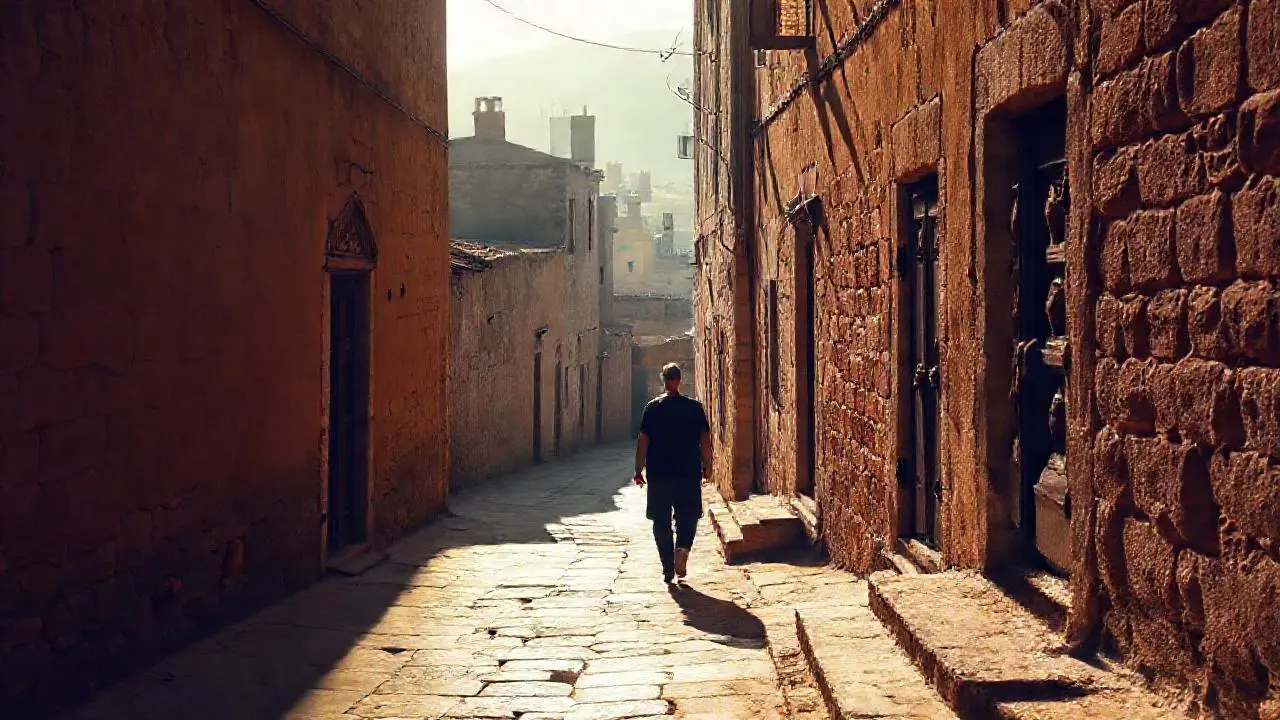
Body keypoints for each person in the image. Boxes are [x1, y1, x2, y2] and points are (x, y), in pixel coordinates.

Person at [633, 363, 711, 584]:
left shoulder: (652, 408)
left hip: (659, 474)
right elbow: (704, 439)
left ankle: (668, 566)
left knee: (661, 521)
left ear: (664, 380)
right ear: (679, 380)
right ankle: (682, 548)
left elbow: (643, 441)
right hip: (688, 472)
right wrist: (708, 465)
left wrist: (638, 470)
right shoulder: (694, 408)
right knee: (688, 515)